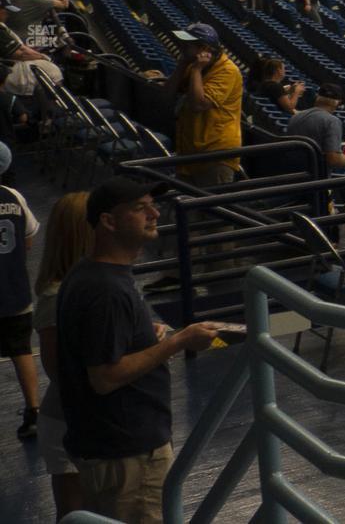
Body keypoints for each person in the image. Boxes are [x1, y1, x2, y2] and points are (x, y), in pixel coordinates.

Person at [60, 179, 221, 524]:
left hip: (113, 446)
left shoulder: (92, 274)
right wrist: (176, 342)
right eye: (139, 208)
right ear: (108, 221)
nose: (154, 213)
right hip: (127, 455)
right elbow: (105, 376)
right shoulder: (106, 289)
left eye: (152, 204)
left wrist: (147, 336)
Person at [34, 191, 92, 516]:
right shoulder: (57, 297)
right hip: (68, 422)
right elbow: (59, 371)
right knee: (75, 515)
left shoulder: (84, 286)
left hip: (86, 420)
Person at [172, 24, 244, 187]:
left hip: (216, 153)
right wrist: (183, 64)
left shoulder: (228, 71)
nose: (181, 47)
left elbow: (198, 105)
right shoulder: (192, 65)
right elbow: (166, 94)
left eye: (187, 44)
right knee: (188, 208)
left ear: (204, 49)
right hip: (190, 149)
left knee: (212, 209)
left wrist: (196, 70)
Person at [1, 148, 35, 440]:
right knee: (21, 350)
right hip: (16, 291)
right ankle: (33, 410)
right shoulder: (14, 196)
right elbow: (29, 238)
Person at [285, 85, 345, 171]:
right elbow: (333, 160)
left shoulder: (296, 116)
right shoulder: (332, 121)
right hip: (313, 176)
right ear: (338, 103)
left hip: (290, 170)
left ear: (317, 97)